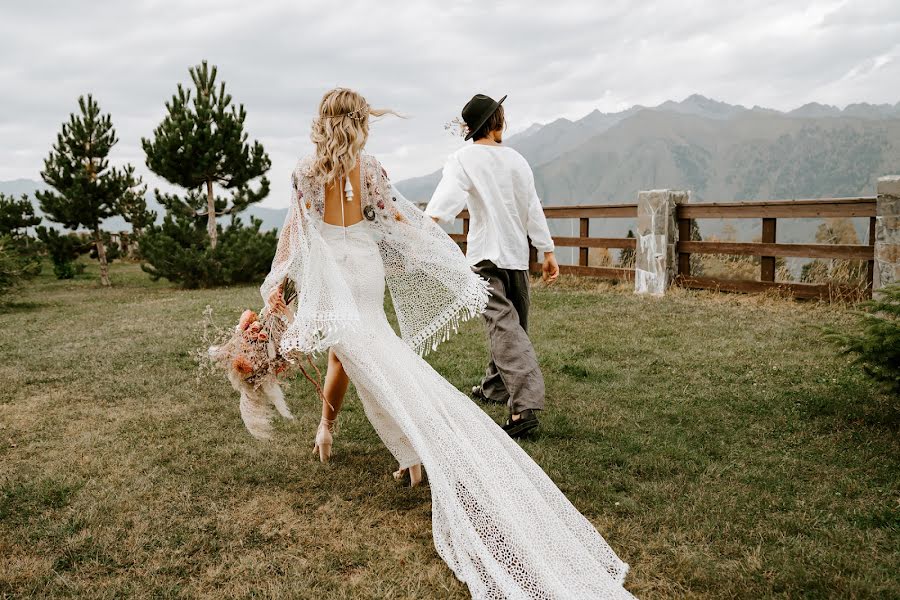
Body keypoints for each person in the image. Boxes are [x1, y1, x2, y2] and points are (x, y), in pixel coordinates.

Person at [261, 87, 632, 598]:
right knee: (369, 355)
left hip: (332, 272)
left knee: (367, 358)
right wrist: (426, 251)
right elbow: (393, 219)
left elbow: (296, 232)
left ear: (322, 120)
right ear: (360, 121)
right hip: (365, 268)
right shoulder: (371, 169)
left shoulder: (305, 171)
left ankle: (411, 447)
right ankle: (407, 453)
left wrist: (278, 284)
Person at [426, 94, 559, 438]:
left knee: (508, 329)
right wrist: (546, 252)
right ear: (497, 122)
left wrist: (427, 225)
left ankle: (519, 406)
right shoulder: (517, 160)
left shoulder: (463, 158)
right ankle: (503, 393)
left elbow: (447, 199)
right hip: (516, 258)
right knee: (510, 327)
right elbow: (533, 208)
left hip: (486, 256)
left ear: (471, 128)